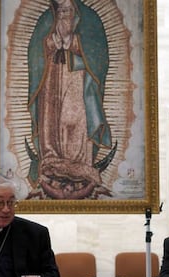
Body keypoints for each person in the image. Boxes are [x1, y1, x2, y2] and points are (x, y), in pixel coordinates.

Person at [25, 0, 114, 199]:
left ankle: (80, 164)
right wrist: (50, 43)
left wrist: (74, 42)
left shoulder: (89, 18)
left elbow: (99, 53)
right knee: (51, 121)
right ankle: (51, 159)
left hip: (78, 78)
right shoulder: (46, 18)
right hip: (51, 79)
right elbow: (34, 53)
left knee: (74, 119)